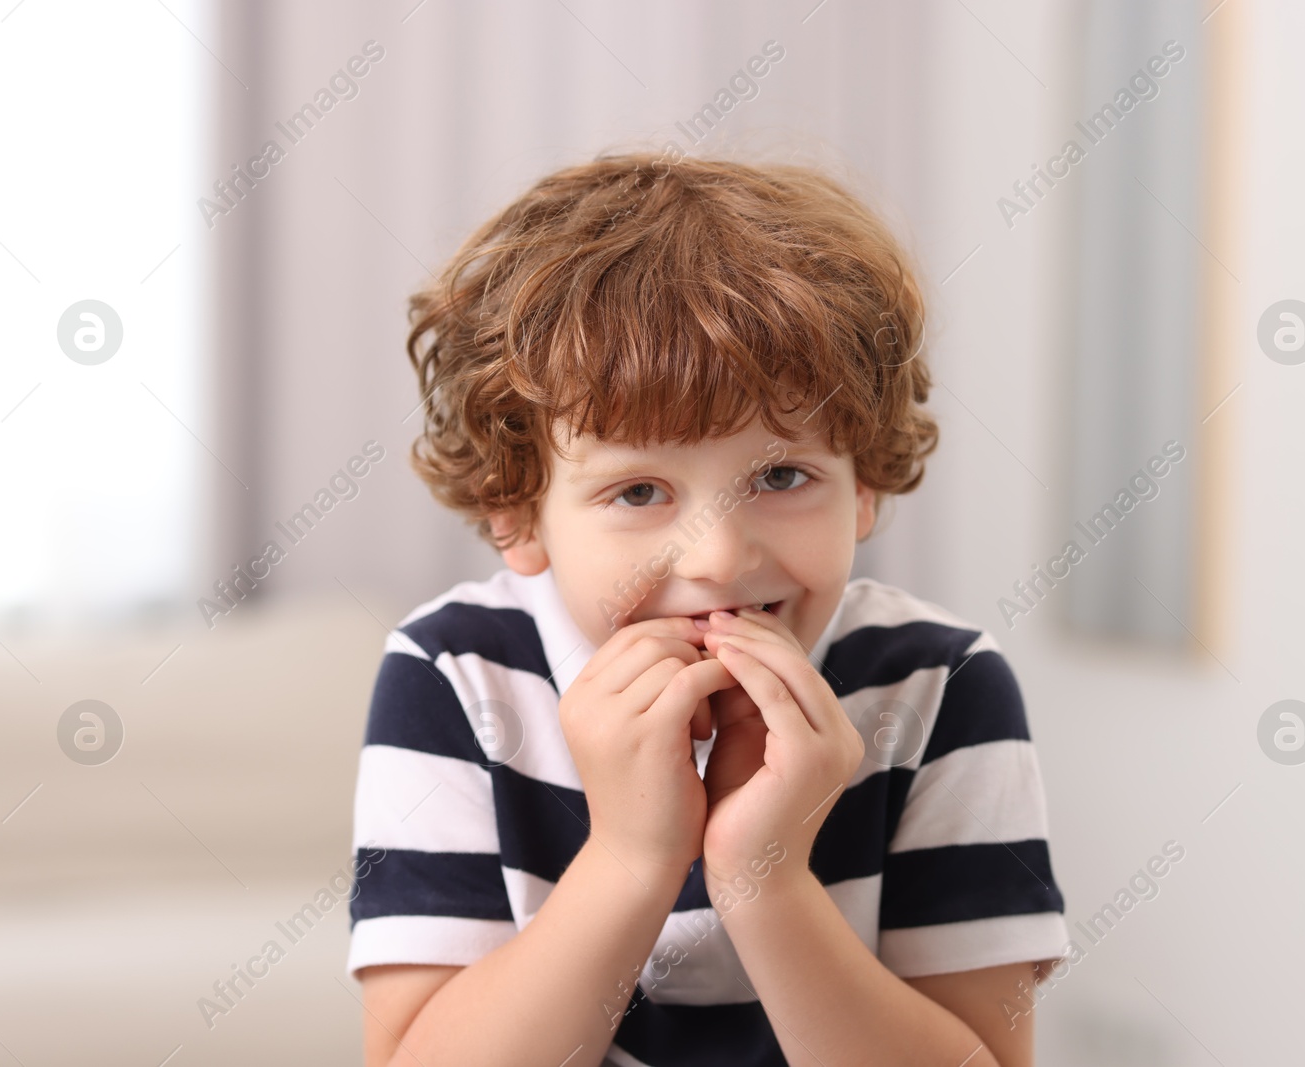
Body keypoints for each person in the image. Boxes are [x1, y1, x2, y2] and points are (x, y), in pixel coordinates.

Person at [347, 150, 1068, 1067]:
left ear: (864, 488)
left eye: (781, 475)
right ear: (518, 511)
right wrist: (630, 858)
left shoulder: (937, 684)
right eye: (639, 491)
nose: (721, 556)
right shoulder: (457, 672)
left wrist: (763, 882)